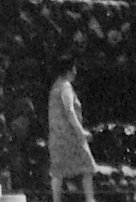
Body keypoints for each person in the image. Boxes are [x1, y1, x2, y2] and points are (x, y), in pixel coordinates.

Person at [47, 59, 96, 202]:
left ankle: (56, 200)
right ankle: (90, 199)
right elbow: (70, 111)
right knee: (88, 166)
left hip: (56, 135)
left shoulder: (55, 87)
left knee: (58, 170)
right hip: (71, 135)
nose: (75, 72)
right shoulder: (65, 87)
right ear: (68, 71)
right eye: (73, 69)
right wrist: (81, 132)